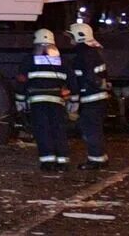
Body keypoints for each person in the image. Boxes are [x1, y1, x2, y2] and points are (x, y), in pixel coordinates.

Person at [24, 27, 70, 172]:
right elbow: (72, 81)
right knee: (58, 129)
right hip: (57, 102)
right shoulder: (62, 61)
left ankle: (47, 162)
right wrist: (73, 100)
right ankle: (62, 161)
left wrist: (20, 101)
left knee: (42, 130)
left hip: (38, 102)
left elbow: (22, 81)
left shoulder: (29, 60)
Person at [65, 22, 110, 170]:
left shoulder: (82, 56)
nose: (70, 40)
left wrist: (74, 101)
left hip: (90, 100)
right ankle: (100, 158)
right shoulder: (94, 52)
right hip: (99, 99)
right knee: (95, 129)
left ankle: (96, 161)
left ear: (79, 37)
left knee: (90, 130)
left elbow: (82, 80)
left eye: (71, 37)